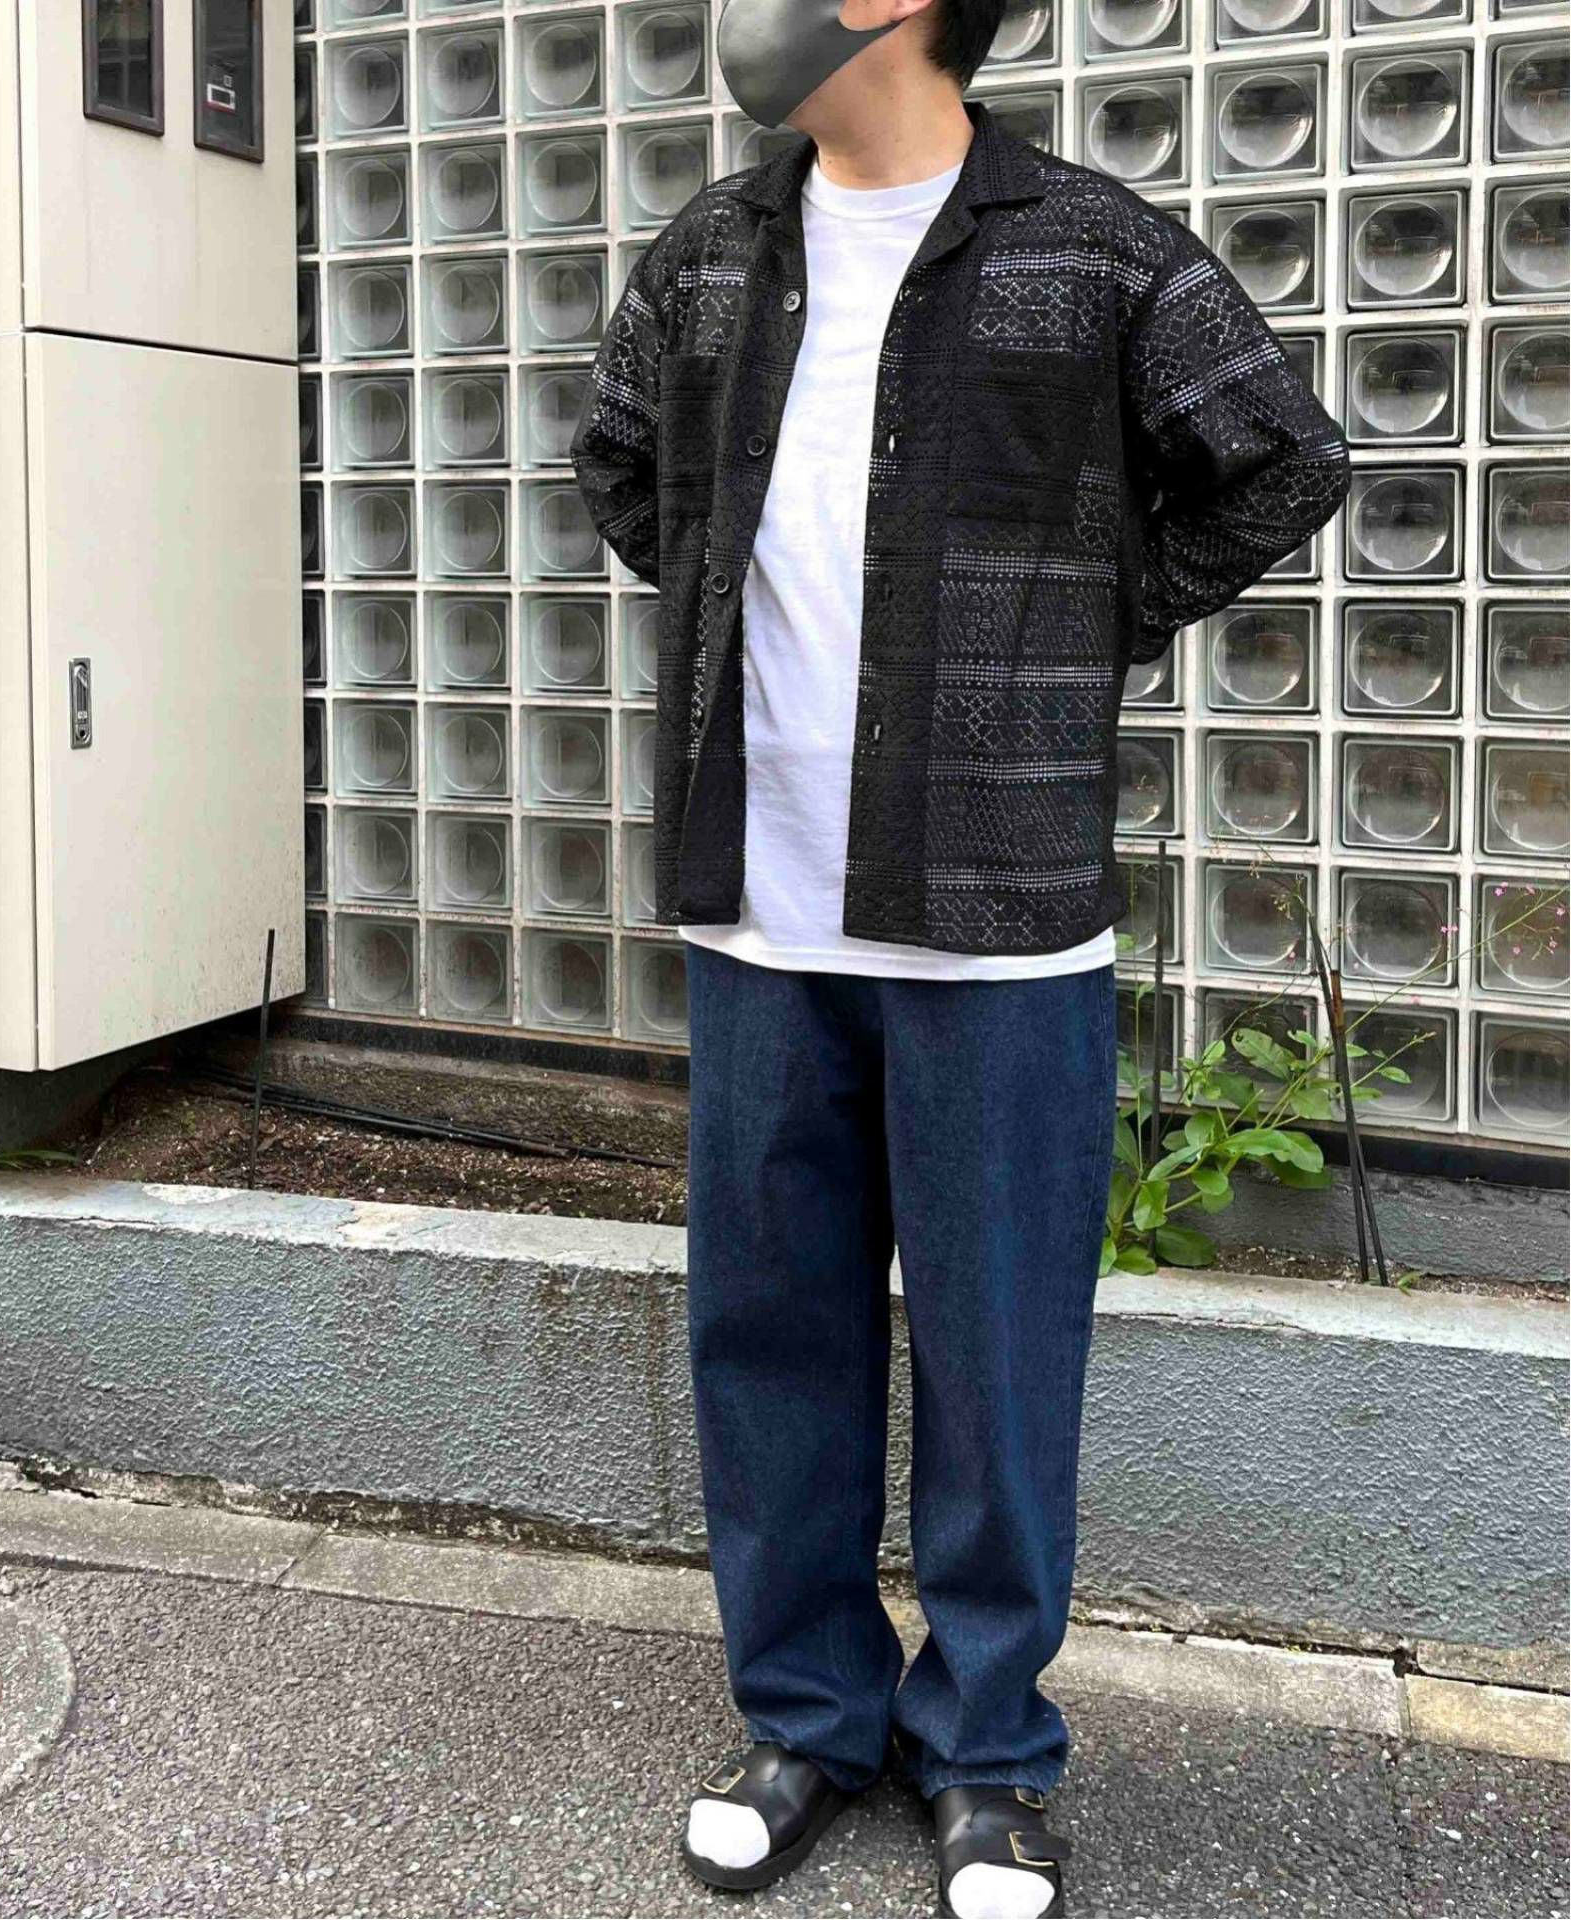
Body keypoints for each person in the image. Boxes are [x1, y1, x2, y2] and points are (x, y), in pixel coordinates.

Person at [571, 2, 1350, 1913]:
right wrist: (726, 630)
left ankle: (988, 1750)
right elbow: (620, 467)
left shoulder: (1091, 249)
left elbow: (1279, 460)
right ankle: (808, 1718)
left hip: (1000, 924)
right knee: (770, 1335)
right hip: (758, 908)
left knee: (1000, 1356)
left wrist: (1082, 619)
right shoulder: (710, 251)